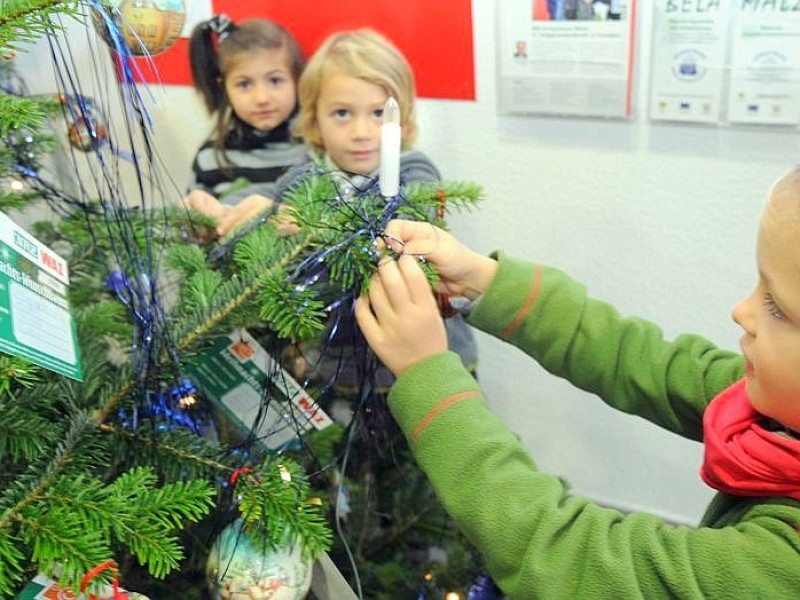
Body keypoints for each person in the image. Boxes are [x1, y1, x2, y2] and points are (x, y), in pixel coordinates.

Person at [354, 168, 800, 597]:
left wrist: (427, 374)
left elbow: (570, 557)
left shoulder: (781, 567)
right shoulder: (773, 408)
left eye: (777, 306)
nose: (742, 311)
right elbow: (644, 361)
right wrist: (484, 281)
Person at [270, 28, 483, 594]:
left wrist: (316, 232)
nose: (362, 131)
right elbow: (284, 273)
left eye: (377, 114)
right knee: (345, 494)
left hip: (420, 377)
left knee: (426, 492)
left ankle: (441, 577)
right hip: (332, 377)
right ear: (313, 121)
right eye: (342, 113)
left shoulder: (414, 173)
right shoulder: (300, 182)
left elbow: (405, 238)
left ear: (404, 119)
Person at [182, 14, 307, 238]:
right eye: (244, 84)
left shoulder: (317, 150)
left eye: (275, 80)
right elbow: (192, 234)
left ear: (298, 79)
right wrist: (194, 218)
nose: (261, 98)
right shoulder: (210, 157)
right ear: (225, 88)